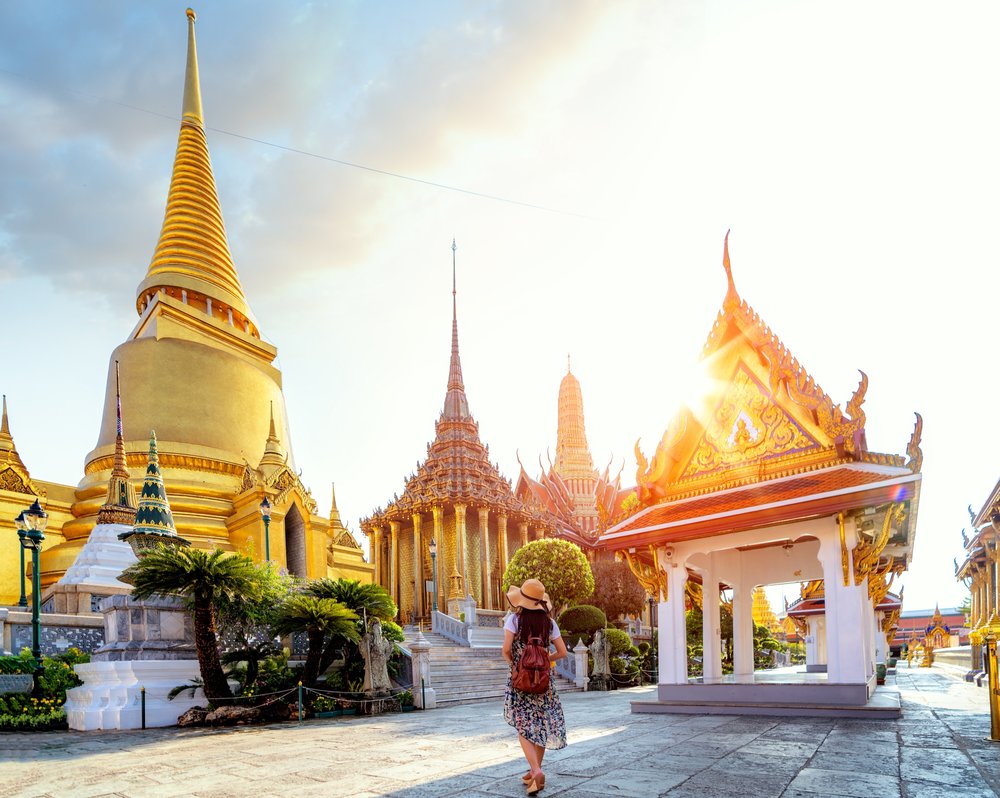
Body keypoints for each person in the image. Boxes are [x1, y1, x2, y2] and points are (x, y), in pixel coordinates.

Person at [503, 578, 568, 795]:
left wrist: (517, 665)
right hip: (543, 682)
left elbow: (505, 650)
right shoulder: (549, 623)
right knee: (541, 724)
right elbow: (563, 652)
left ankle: (535, 769)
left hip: (521, 681)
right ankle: (534, 771)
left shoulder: (514, 620)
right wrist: (545, 659)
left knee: (523, 725)